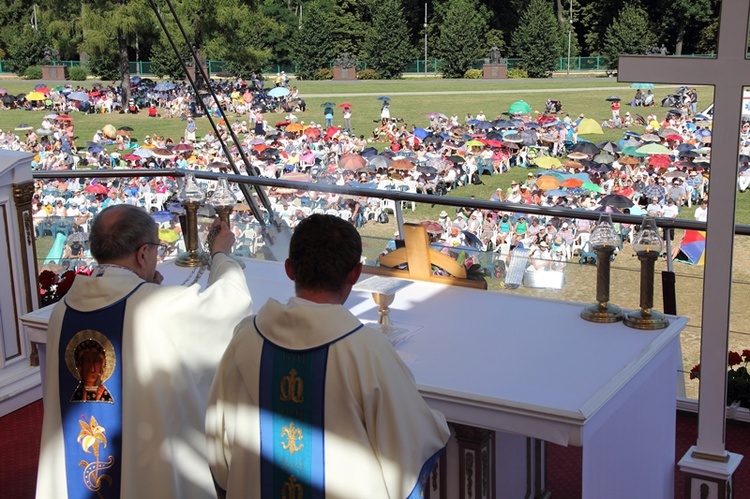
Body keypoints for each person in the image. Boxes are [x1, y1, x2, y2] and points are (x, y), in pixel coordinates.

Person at [206, 214, 450, 498]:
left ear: (289, 269)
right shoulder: (367, 351)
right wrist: (436, 422)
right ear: (355, 274)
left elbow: (219, 441)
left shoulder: (246, 339)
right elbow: (410, 441)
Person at [36, 204, 253, 499]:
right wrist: (221, 254)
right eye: (155, 250)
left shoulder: (63, 311)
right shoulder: (154, 306)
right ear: (142, 253)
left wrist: (143, 284)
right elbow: (230, 306)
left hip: (79, 460)